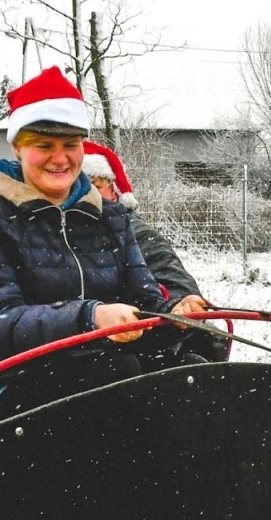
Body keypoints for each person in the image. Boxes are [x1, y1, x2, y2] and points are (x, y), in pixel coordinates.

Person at [0, 67, 205, 437]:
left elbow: (143, 296)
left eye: (70, 145)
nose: (59, 159)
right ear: (18, 147)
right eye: (44, 146)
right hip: (10, 383)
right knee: (116, 378)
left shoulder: (110, 216)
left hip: (106, 371)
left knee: (194, 375)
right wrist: (91, 317)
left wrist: (173, 311)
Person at [80, 141, 225, 362]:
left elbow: (168, 274)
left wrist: (177, 305)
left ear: (114, 190)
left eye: (95, 184)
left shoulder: (136, 233)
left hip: (131, 344)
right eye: (79, 185)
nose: (87, 194)